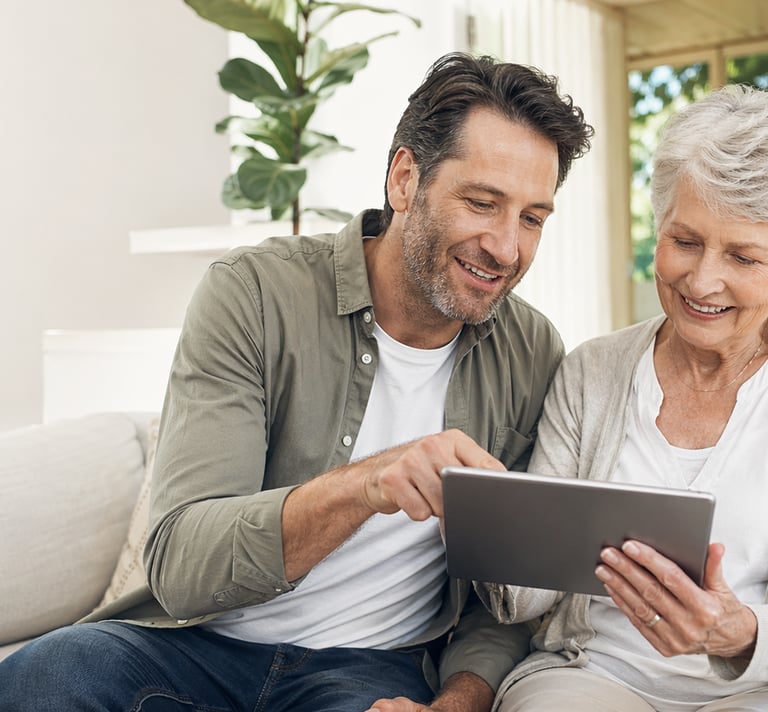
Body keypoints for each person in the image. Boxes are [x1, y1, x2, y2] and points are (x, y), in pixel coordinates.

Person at [0, 53, 593, 711]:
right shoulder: (254, 295)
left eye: (532, 218)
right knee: (48, 676)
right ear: (404, 179)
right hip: (198, 647)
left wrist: (459, 700)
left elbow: (501, 599)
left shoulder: (532, 351)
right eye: (483, 203)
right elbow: (182, 565)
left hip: (369, 671)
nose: (507, 249)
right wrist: (369, 483)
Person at [478, 83, 768, 712]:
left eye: (743, 256)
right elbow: (523, 597)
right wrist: (488, 510)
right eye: (684, 241)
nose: (703, 279)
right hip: (592, 675)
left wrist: (741, 632)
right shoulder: (593, 371)